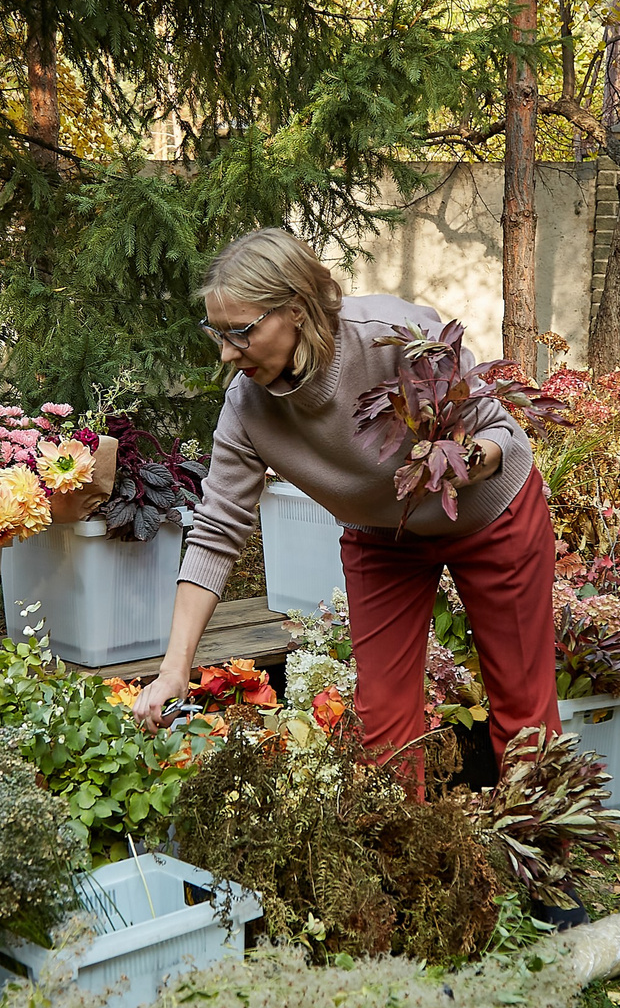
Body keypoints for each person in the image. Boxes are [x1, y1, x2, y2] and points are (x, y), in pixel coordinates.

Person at [127, 230, 560, 786]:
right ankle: (408, 865)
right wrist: (173, 669)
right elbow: (215, 532)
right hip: (384, 538)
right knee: (383, 724)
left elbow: (499, 428)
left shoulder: (393, 337)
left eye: (242, 332)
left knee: (523, 706)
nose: (227, 353)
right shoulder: (247, 407)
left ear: (298, 311)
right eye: (217, 332)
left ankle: (545, 857)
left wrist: (470, 460)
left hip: (489, 517)